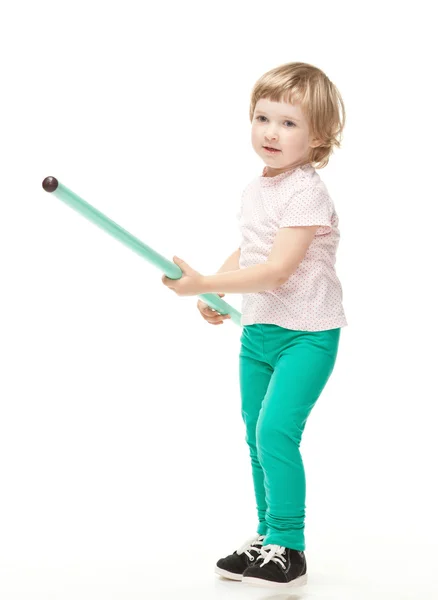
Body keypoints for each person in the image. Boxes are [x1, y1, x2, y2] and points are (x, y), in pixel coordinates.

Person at [199, 61, 348, 589]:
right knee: (255, 437)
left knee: (275, 432)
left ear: (319, 136)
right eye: (263, 117)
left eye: (288, 123)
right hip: (260, 329)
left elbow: (281, 267)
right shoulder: (257, 188)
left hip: (307, 333)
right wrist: (217, 285)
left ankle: (291, 545)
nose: (270, 132)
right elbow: (254, 248)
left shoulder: (307, 191)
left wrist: (202, 283)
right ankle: (267, 539)